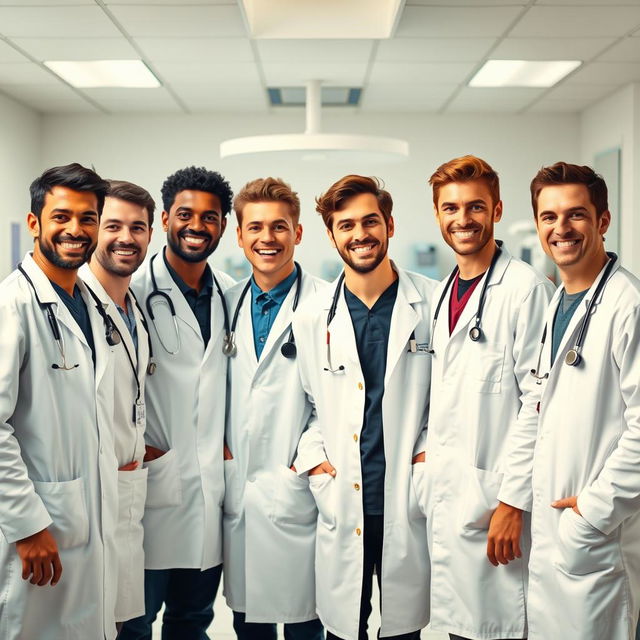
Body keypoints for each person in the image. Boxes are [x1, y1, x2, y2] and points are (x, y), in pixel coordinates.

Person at [292, 175, 435, 640]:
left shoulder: (431, 304)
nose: (360, 234)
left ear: (389, 224)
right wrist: (316, 464)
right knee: (342, 629)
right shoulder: (312, 315)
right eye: (346, 225)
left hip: (406, 493)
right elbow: (308, 407)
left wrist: (426, 455)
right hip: (343, 494)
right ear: (331, 235)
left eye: (370, 221)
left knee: (403, 630)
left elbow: (448, 402)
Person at [416, 155, 553, 640]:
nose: (463, 219)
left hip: (497, 501)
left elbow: (538, 403)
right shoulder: (438, 295)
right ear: (437, 215)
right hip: (451, 496)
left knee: (499, 628)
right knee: (461, 628)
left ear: (496, 209)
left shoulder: (526, 290)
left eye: (475, 207)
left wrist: (512, 501)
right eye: (450, 208)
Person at [0, 163, 119, 639]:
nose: (76, 230)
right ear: (35, 223)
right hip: (41, 522)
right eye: (61, 217)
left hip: (85, 517)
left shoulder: (90, 302)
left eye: (88, 218)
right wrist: (26, 525)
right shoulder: (14, 306)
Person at [526, 162, 640, 640]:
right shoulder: (558, 300)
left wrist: (594, 510)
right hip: (557, 532)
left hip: (594, 532)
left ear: (603, 221)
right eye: (549, 217)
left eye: (576, 215)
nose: (561, 228)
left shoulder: (626, 304)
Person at [120, 167, 235, 639]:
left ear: (223, 225)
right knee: (133, 623)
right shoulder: (131, 291)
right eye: (185, 214)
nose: (197, 225)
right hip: (149, 490)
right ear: (165, 217)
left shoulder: (232, 293)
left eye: (210, 217)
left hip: (210, 491)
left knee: (193, 622)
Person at [223, 177, 325, 640]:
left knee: (307, 621)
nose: (268, 238)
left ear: (298, 234)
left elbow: (338, 403)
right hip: (240, 489)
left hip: (298, 486)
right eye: (256, 227)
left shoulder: (328, 304)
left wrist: (304, 458)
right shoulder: (225, 303)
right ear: (239, 235)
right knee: (248, 624)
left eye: (280, 227)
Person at [79, 179, 155, 630]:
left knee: (125, 621)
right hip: (91, 491)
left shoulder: (132, 306)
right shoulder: (76, 303)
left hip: (127, 484)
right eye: (113, 225)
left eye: (137, 227)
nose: (126, 237)